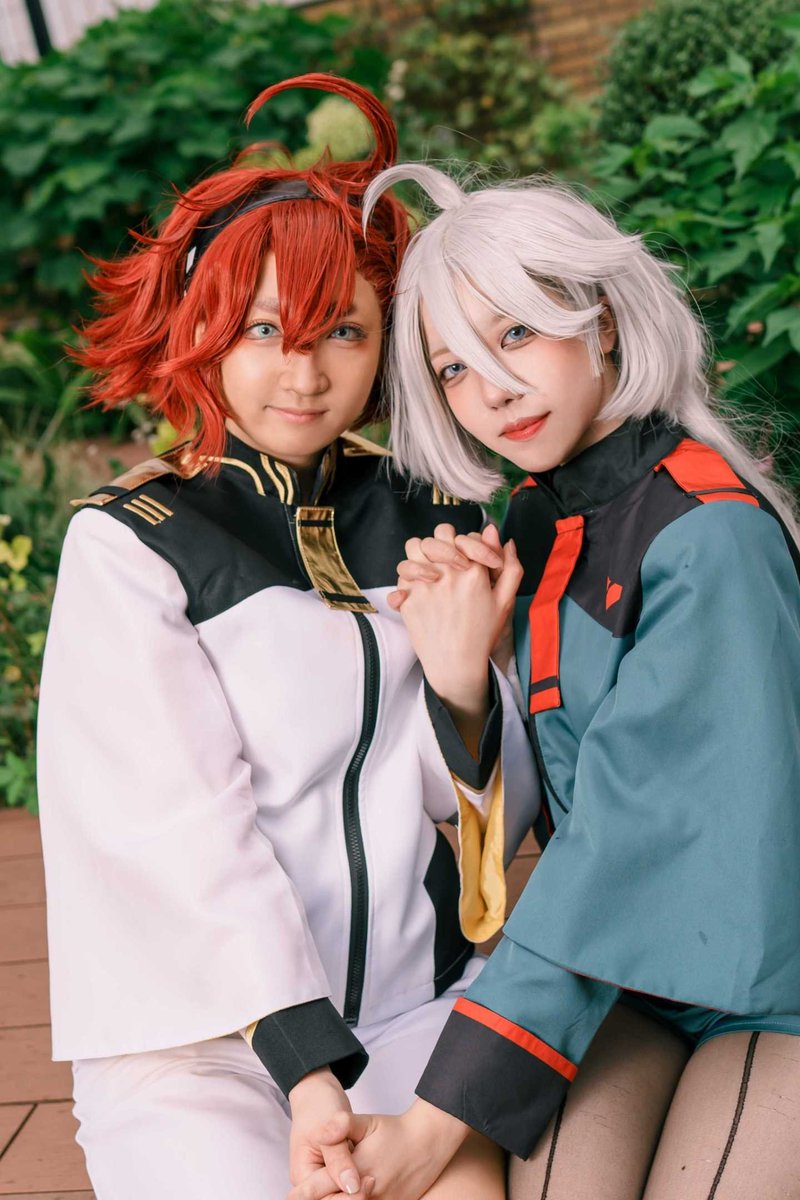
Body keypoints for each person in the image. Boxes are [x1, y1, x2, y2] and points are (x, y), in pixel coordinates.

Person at [35, 82, 540, 1200]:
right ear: (202, 327)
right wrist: (313, 1078)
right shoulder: (133, 542)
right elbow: (181, 838)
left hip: (415, 1009)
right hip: (197, 1043)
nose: (304, 375)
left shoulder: (429, 512)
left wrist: (464, 684)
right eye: (264, 329)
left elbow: (482, 837)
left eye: (342, 332)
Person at [289, 165, 800, 1200]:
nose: (493, 391)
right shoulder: (534, 524)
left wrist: (433, 1122)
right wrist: (462, 680)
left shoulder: (709, 536)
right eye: (453, 368)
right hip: (630, 976)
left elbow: (619, 849)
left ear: (600, 320)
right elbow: (523, 832)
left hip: (773, 980)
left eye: (516, 334)